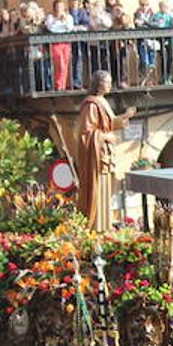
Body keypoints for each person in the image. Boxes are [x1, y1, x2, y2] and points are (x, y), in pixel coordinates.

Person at [73, 71, 137, 233]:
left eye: (110, 82)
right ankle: (97, 227)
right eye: (107, 82)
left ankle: (105, 226)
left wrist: (123, 118)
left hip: (105, 154)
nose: (109, 85)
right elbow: (86, 133)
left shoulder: (102, 102)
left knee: (105, 190)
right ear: (98, 84)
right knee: (98, 189)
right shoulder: (91, 105)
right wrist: (105, 137)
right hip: (97, 155)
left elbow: (108, 124)